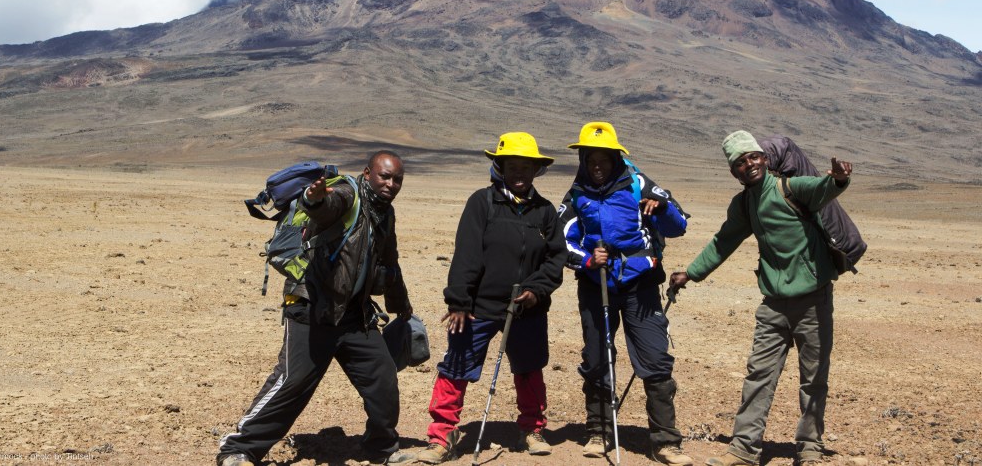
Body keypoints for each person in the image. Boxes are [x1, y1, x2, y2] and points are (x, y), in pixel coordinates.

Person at [218, 151, 416, 466]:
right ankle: (238, 449)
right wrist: (314, 199)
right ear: (368, 174)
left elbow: (389, 262)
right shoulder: (347, 195)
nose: (391, 184)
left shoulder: (385, 214)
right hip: (312, 308)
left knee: (383, 379)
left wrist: (400, 304)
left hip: (354, 316)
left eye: (397, 179)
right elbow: (326, 207)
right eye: (385, 176)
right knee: (292, 382)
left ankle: (381, 448)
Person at [669, 130, 853, 466]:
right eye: (740, 162)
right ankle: (743, 449)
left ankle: (810, 448)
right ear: (733, 172)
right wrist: (691, 273)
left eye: (753, 157)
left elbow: (821, 189)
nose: (749, 164)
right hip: (773, 304)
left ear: (765, 160)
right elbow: (723, 241)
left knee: (813, 379)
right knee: (759, 375)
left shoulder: (789, 188)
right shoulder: (743, 205)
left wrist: (838, 180)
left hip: (813, 300)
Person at [413, 132, 567, 464]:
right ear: (500, 167)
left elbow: (556, 261)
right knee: (455, 367)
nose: (520, 174)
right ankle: (442, 436)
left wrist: (535, 290)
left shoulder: (545, 212)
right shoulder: (481, 203)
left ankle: (532, 429)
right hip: (479, 307)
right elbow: (466, 255)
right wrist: (458, 302)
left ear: (536, 170)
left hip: (526, 308)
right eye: (513, 167)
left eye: (526, 168)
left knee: (529, 370)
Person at [559, 122, 694, 465]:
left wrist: (661, 209)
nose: (598, 166)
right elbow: (561, 241)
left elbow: (679, 225)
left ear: (617, 158)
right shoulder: (576, 194)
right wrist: (588, 260)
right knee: (596, 358)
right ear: (584, 160)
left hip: (641, 285)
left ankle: (665, 441)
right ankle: (598, 432)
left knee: (655, 359)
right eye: (592, 159)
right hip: (596, 285)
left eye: (605, 159)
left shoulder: (639, 185)